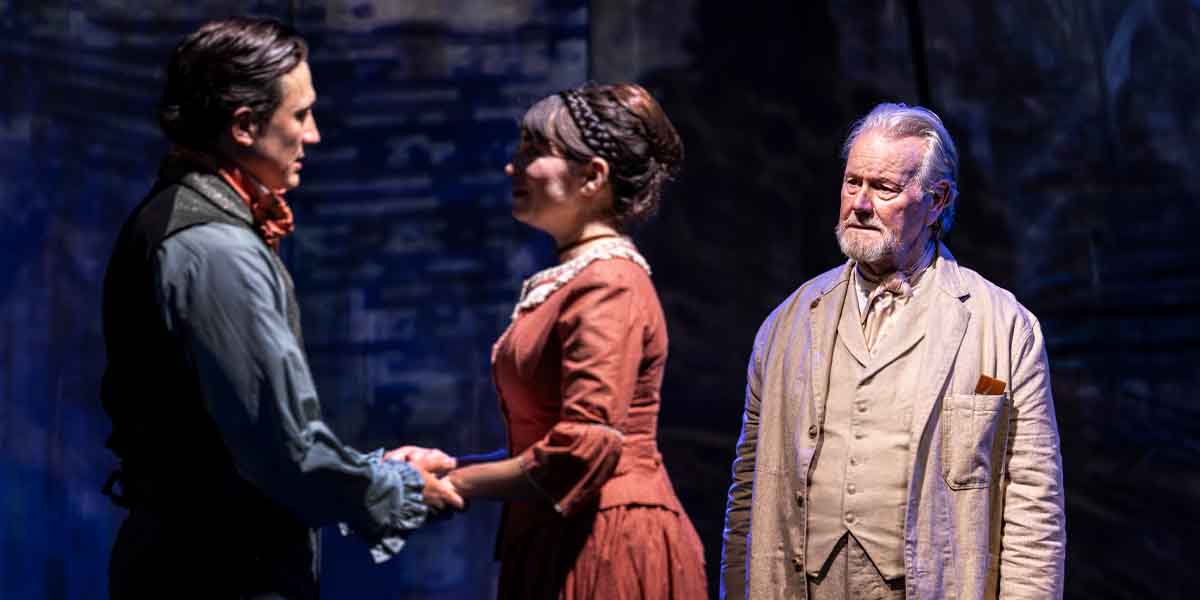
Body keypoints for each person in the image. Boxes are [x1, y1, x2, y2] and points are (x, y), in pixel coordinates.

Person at [99, 17, 461, 600]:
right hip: (219, 570)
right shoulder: (215, 248)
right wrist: (397, 486)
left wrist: (369, 468)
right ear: (245, 125)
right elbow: (281, 450)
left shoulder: (189, 223)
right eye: (301, 115)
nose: (313, 135)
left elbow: (244, 435)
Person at [720, 103, 1066, 599]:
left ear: (936, 200)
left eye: (883, 188)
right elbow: (748, 492)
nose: (860, 203)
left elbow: (1033, 509)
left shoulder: (1004, 328)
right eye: (852, 183)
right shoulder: (787, 325)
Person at [434, 83, 707, 599]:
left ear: (592, 176)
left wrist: (458, 485)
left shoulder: (609, 283)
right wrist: (453, 467)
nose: (512, 167)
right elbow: (551, 441)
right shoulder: (579, 278)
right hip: (562, 526)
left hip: (605, 539)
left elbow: (582, 445)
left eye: (534, 151)